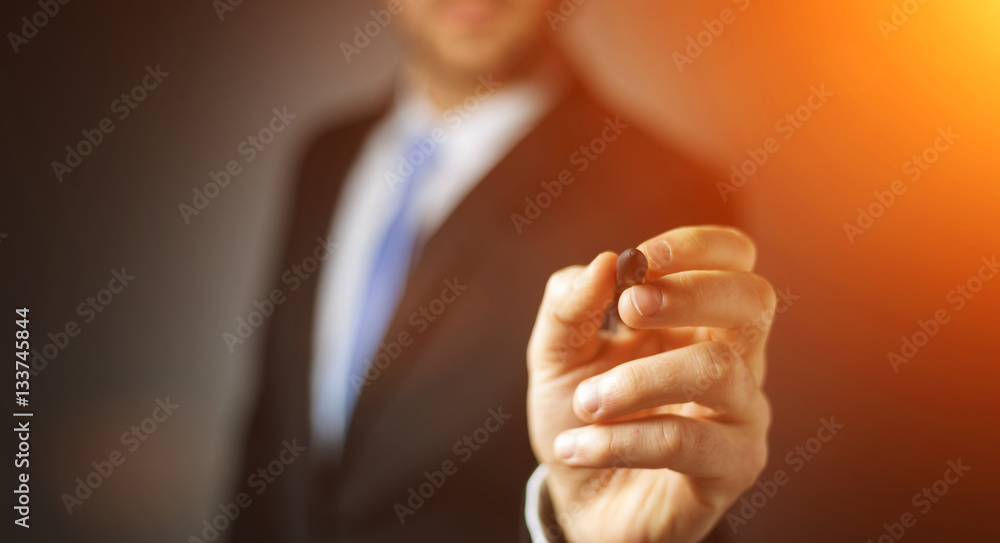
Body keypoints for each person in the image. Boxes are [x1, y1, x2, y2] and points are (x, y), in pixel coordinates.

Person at [230, 1, 774, 541]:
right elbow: (272, 435)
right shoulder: (325, 159)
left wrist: (578, 531)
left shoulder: (664, 193)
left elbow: (661, 487)